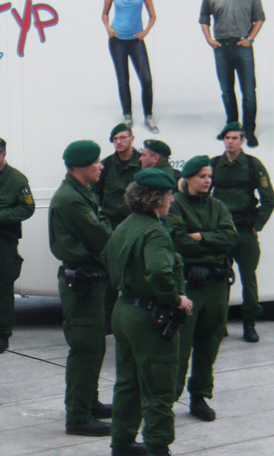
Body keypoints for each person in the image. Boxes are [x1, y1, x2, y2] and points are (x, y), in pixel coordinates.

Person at [105, 168, 193, 456]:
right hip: (148, 317)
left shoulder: (127, 224)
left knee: (128, 382)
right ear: (158, 199)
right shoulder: (155, 231)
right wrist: (175, 299)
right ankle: (158, 446)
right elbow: (158, 272)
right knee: (159, 386)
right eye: (168, 196)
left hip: (124, 310)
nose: (171, 202)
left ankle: (122, 442)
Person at [48, 140, 113, 436]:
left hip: (89, 279)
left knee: (94, 345)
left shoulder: (80, 193)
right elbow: (101, 236)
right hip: (82, 282)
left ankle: (88, 401)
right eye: (96, 163)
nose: (100, 167)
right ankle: (78, 416)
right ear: (80, 168)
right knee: (85, 347)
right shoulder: (71, 199)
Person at [168, 155, 238, 423]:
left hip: (217, 283)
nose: (207, 180)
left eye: (209, 176)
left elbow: (230, 237)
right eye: (202, 176)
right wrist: (208, 244)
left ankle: (199, 395)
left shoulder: (218, 206)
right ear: (188, 178)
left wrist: (202, 236)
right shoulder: (176, 206)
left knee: (210, 341)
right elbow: (179, 242)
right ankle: (170, 397)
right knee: (182, 343)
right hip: (191, 284)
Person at [210, 122, 274, 342]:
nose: (230, 142)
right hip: (220, 231)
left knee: (249, 279)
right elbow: (201, 194)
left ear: (242, 140)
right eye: (227, 138)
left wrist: (258, 224)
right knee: (219, 278)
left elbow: (268, 198)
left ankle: (249, 323)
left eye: (234, 138)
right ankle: (220, 323)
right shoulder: (214, 164)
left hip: (245, 230)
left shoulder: (252, 164)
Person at [200, 0, 265, 147]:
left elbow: (260, 18)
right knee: (227, 90)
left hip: (242, 46)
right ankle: (232, 127)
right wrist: (209, 39)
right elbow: (203, 18)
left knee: (249, 91)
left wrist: (250, 39)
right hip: (222, 48)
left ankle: (248, 131)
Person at [0, 136, 35, 355]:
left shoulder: (16, 180)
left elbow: (27, 209)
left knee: (3, 291)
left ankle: (2, 335)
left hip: (5, 242)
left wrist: (0, 216)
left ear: (3, 155)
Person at [102, 0, 158, 132]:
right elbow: (104, 13)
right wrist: (109, 28)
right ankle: (128, 116)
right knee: (123, 79)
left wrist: (145, 31)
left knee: (146, 80)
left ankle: (148, 117)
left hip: (135, 41)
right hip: (117, 41)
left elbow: (153, 15)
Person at [93, 124, 142, 331]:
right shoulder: (106, 165)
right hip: (112, 228)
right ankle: (108, 320)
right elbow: (95, 196)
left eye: (123, 138)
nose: (119, 142)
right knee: (110, 274)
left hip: (136, 227)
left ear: (132, 138)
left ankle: (138, 316)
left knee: (138, 271)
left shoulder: (142, 163)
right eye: (115, 139)